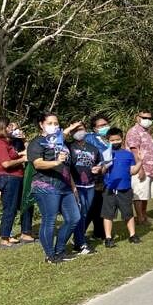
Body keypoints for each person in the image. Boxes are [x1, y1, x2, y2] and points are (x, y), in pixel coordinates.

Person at [28, 112, 79, 263]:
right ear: (41, 124)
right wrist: (56, 162)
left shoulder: (60, 141)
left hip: (64, 186)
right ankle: (50, 255)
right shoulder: (36, 142)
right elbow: (37, 163)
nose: (54, 126)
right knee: (49, 220)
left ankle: (60, 250)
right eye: (50, 123)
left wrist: (73, 186)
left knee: (73, 218)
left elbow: (67, 166)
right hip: (46, 186)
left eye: (56, 123)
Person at [0, 117, 35, 248]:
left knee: (26, 204)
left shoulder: (7, 142)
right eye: (9, 126)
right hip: (8, 178)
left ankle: (26, 233)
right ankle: (5, 239)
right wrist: (23, 159)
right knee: (10, 208)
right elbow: (5, 163)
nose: (11, 128)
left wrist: (23, 147)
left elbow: (14, 155)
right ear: (1, 127)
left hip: (17, 177)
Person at [101, 128, 143, 248]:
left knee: (128, 213)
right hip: (110, 189)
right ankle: (108, 238)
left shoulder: (128, 154)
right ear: (108, 141)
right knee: (108, 214)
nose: (115, 142)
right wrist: (105, 164)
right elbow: (102, 171)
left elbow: (133, 171)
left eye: (117, 139)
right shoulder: (105, 153)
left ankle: (132, 235)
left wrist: (140, 161)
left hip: (125, 189)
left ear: (122, 139)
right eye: (112, 140)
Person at [67, 122, 103, 255]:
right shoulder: (68, 147)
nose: (78, 132)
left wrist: (99, 169)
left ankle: (79, 238)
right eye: (75, 130)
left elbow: (100, 164)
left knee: (85, 213)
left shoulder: (93, 148)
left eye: (80, 129)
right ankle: (79, 243)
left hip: (90, 185)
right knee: (80, 213)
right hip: (76, 185)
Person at [125, 109, 153, 225]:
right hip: (140, 168)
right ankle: (139, 218)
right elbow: (134, 151)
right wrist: (140, 169)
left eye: (149, 118)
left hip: (150, 168)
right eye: (144, 118)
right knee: (139, 194)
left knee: (145, 194)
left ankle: (144, 215)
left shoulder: (146, 131)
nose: (147, 120)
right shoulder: (134, 131)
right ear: (137, 118)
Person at [85, 114, 113, 240]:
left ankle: (99, 232)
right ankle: (79, 233)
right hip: (95, 175)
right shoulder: (90, 137)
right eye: (101, 126)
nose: (104, 127)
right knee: (92, 205)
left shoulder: (108, 139)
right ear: (94, 128)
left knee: (101, 205)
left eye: (105, 124)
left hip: (107, 175)